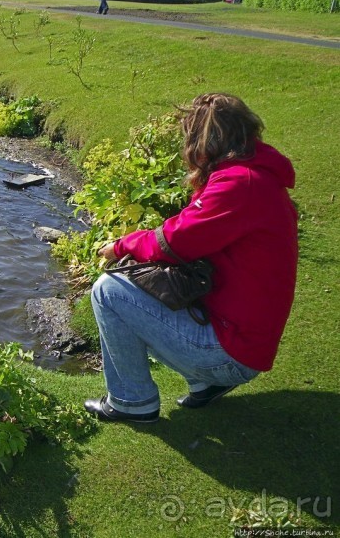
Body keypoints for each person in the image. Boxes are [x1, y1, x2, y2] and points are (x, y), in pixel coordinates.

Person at [84, 93, 298, 423]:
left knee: (108, 291)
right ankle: (205, 381)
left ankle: (131, 400)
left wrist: (121, 246)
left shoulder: (240, 184)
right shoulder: (255, 174)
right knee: (148, 289)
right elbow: (188, 235)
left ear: (204, 140)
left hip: (232, 352)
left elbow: (173, 242)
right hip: (239, 339)